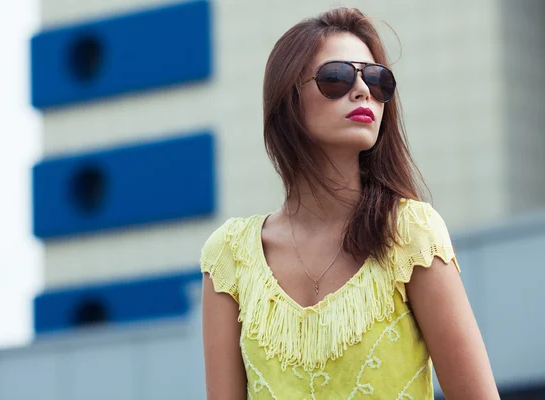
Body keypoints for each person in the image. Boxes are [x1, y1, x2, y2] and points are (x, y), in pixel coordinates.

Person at [200, 7, 499, 400]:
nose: (363, 92)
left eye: (377, 80)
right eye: (337, 77)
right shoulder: (229, 256)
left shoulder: (410, 233)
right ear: (288, 98)